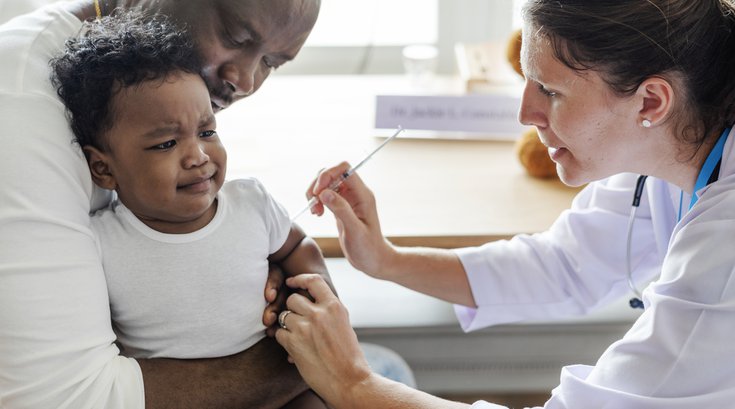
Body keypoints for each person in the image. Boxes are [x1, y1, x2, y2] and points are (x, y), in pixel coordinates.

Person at [273, 0, 735, 408]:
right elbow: (565, 265)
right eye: (529, 82)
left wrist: (353, 385)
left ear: (651, 101)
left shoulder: (725, 251)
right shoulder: (674, 142)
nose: (524, 114)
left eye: (551, 92)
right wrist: (385, 260)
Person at [0, 0, 324, 407]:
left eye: (272, 62)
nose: (244, 80)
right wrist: (313, 358)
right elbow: (63, 397)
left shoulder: (148, 86)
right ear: (100, 164)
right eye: (234, 37)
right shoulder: (19, 108)